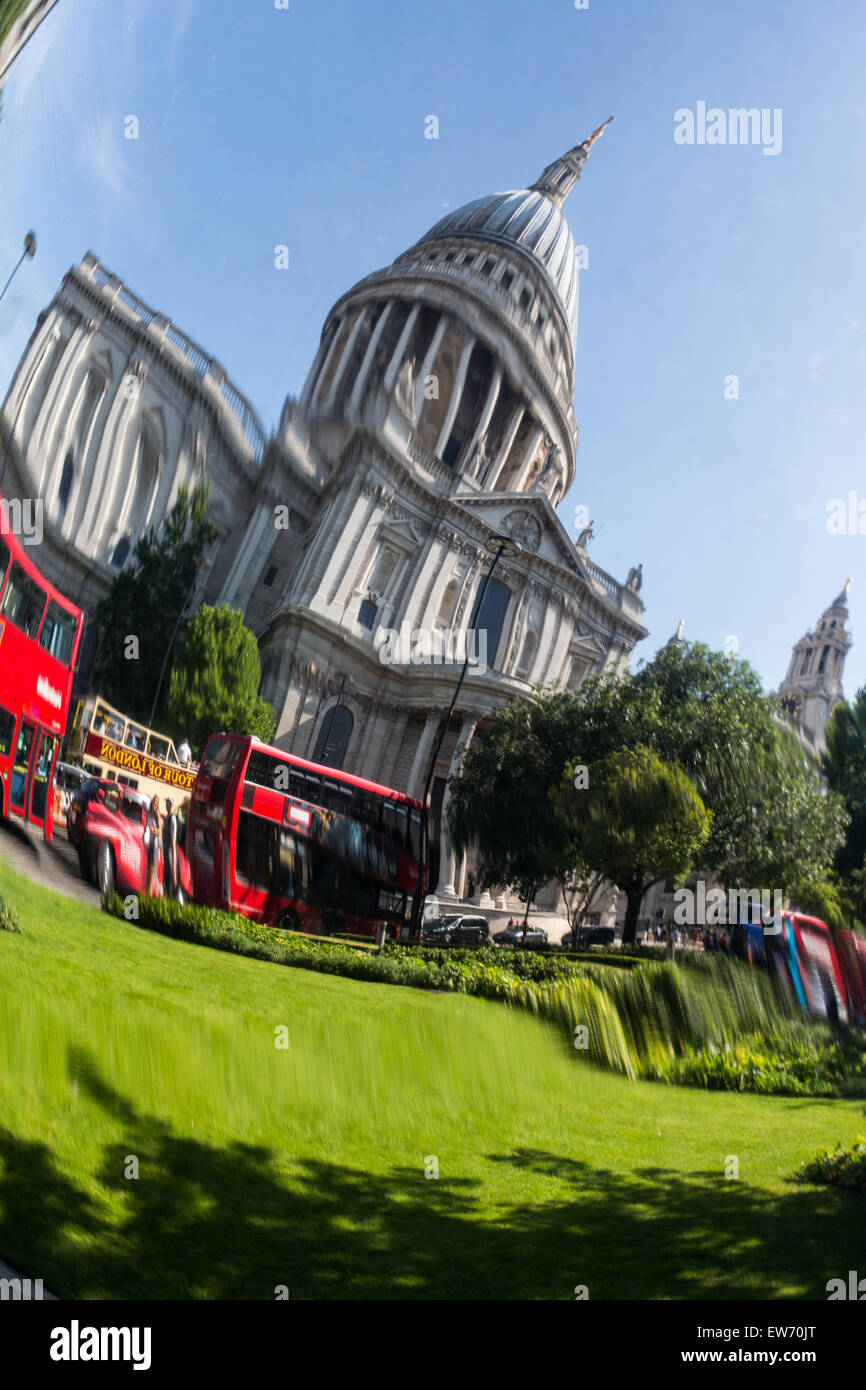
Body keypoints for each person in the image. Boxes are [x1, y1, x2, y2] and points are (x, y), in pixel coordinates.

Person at [145, 795, 162, 896]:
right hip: (148, 844)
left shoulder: (157, 814)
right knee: (148, 869)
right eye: (154, 801)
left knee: (152, 870)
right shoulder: (148, 813)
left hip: (155, 845)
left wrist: (153, 830)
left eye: (157, 802)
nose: (155, 803)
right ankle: (147, 892)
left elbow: (160, 830)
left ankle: (150, 894)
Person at [162, 797, 178, 899]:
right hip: (166, 856)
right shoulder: (167, 817)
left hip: (170, 857)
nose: (165, 805)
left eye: (167, 803)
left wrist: (174, 863)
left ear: (170, 805)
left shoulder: (172, 819)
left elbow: (173, 841)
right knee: (165, 882)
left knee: (169, 885)